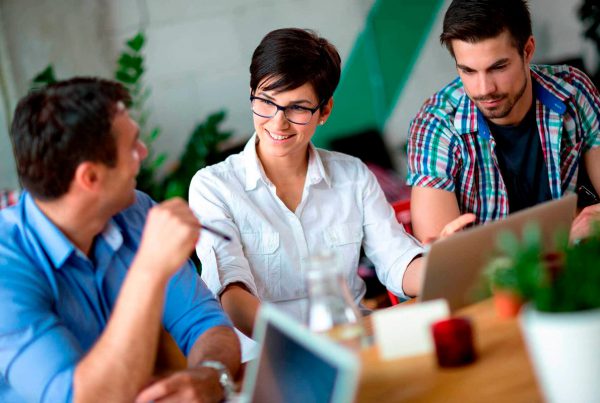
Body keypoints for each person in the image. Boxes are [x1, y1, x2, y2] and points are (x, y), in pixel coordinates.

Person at [0, 78, 240, 403]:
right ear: (91, 177)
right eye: (132, 146)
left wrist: (211, 375)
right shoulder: (6, 266)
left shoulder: (135, 211)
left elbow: (205, 322)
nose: (143, 153)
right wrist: (150, 268)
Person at [189, 28, 426, 337]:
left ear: (324, 110)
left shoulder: (352, 176)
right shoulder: (214, 187)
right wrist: (306, 349)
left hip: (352, 341)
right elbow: (231, 294)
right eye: (266, 102)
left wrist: (444, 266)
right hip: (271, 355)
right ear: (252, 94)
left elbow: (396, 260)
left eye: (297, 107)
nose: (277, 122)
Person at [407, 0, 600, 243]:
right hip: (494, 277)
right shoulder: (435, 125)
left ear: (527, 50)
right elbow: (439, 255)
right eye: (468, 71)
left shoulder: (573, 91)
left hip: (573, 267)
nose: (484, 89)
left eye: (498, 67)